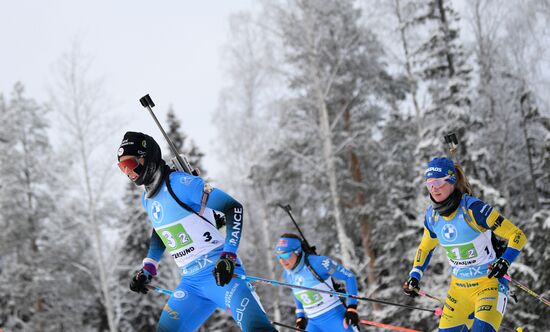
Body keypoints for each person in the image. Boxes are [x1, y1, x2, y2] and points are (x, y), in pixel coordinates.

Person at [117, 131, 276, 332]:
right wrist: (148, 268)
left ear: (146, 157)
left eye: (130, 165)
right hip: (191, 284)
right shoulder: (147, 199)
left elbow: (233, 208)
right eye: (122, 168)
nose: (128, 173)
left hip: (221, 274)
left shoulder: (181, 184)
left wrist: (228, 256)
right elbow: (160, 232)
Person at [403, 157, 527, 332]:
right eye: (429, 184)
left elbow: (517, 235)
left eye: (438, 182)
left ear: (452, 180)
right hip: (459, 291)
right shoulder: (432, 217)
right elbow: (425, 247)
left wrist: (505, 261)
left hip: (489, 286)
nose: (434, 189)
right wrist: (415, 275)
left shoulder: (474, 209)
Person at [274, 233, 361, 332]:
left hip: (336, 318)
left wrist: (352, 307)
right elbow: (296, 292)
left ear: (297, 251)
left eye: (285, 255)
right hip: (314, 323)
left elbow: (349, 277)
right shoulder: (288, 274)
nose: (282, 260)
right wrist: (300, 316)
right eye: (279, 256)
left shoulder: (319, 264)